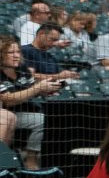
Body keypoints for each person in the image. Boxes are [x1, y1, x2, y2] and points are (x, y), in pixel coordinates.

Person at [0, 34, 62, 168]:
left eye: (17, 51)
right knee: (42, 120)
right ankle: (30, 161)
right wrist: (37, 88)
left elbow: (33, 87)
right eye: (11, 52)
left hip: (28, 110)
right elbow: (8, 100)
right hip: (11, 111)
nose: (16, 55)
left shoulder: (21, 68)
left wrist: (47, 88)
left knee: (52, 117)